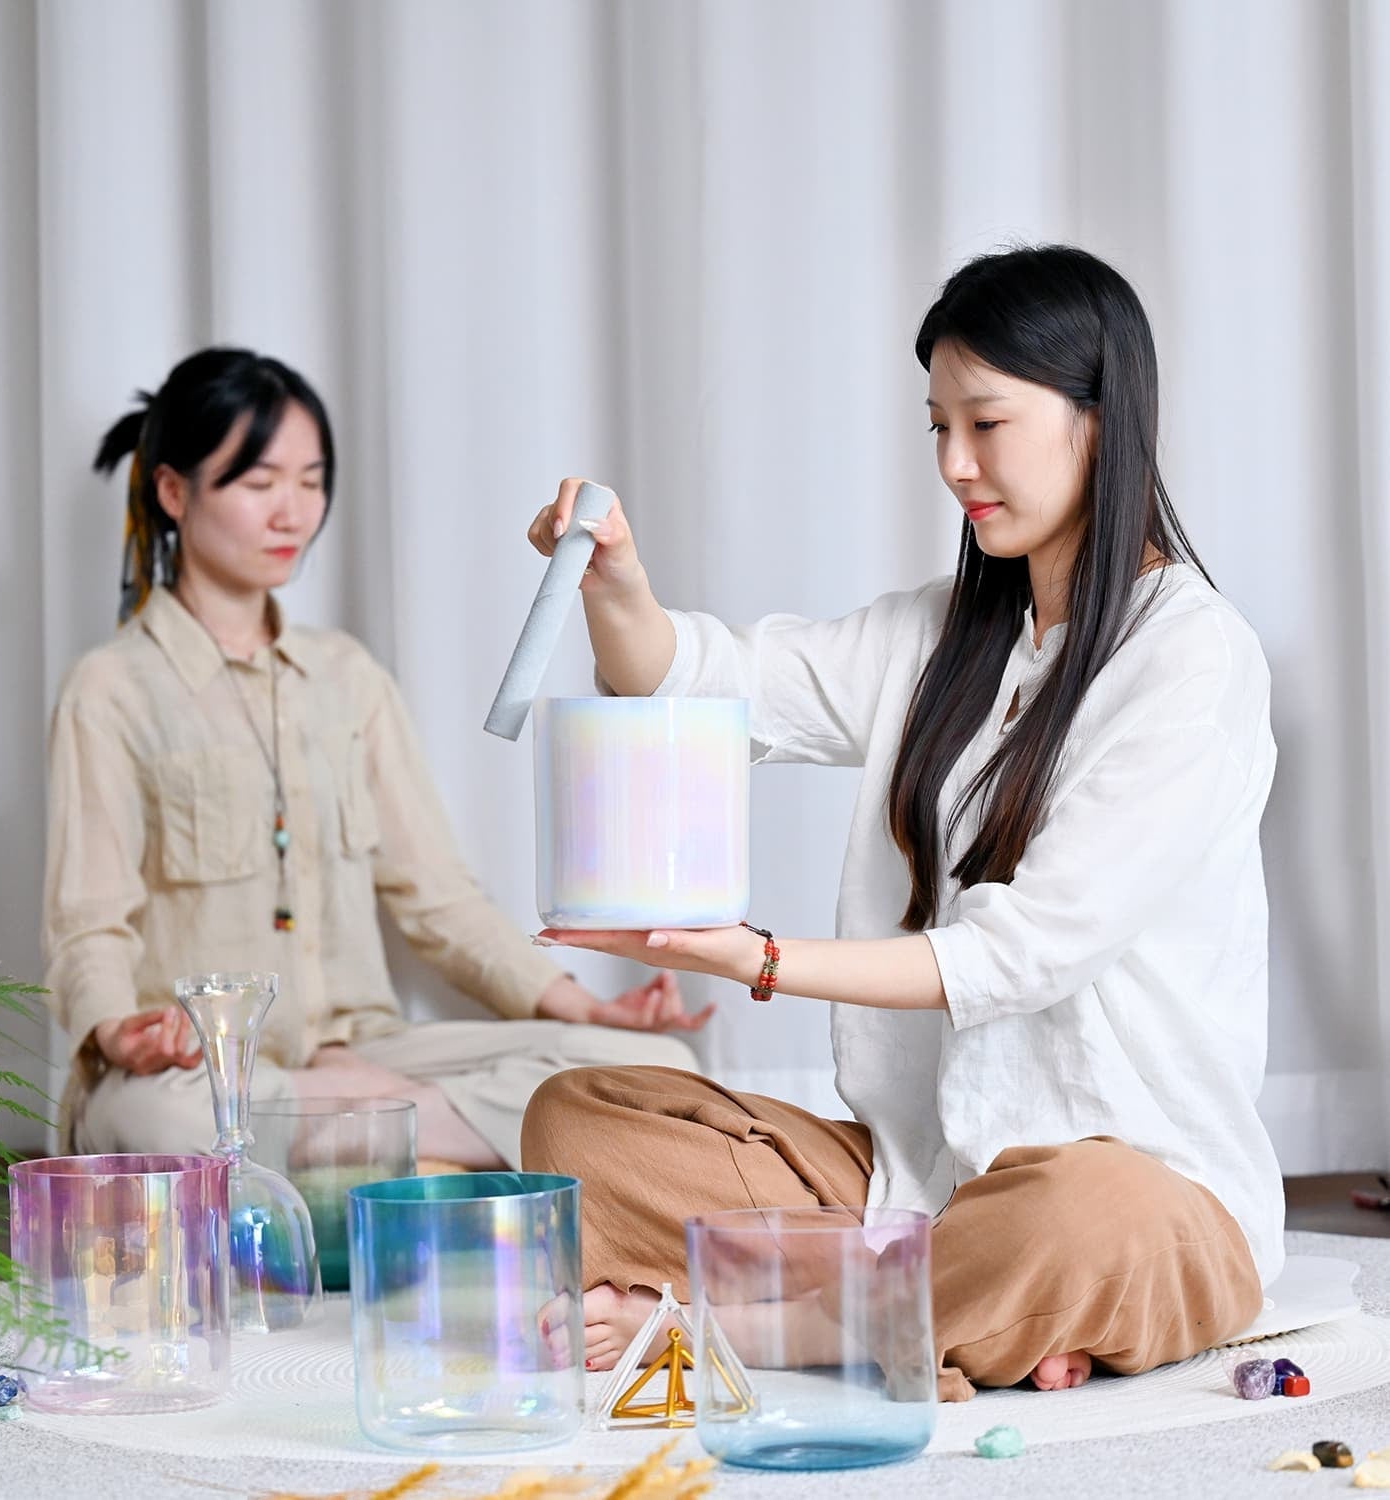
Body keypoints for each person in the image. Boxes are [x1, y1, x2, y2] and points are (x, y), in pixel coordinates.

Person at [520, 245, 1284, 1400]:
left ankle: (775, 1322)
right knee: (576, 1122)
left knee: (1088, 1218)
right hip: (914, 1188)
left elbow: (1029, 950)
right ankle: (959, 1315)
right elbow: (707, 680)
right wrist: (616, 580)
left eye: (986, 422)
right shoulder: (944, 633)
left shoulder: (1192, 657)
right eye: (936, 426)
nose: (955, 464)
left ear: (1099, 418)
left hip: (1148, 1188)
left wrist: (758, 958)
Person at [42, 346, 708, 1170]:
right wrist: (117, 1030)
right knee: (151, 1124)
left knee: (660, 1069)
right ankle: (420, 1135)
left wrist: (589, 1011)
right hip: (208, 1072)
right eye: (258, 484)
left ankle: (389, 1127)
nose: (292, 512)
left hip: (367, 1053)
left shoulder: (347, 679)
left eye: (311, 480)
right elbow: (87, 923)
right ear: (174, 492)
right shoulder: (109, 689)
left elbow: (441, 903)